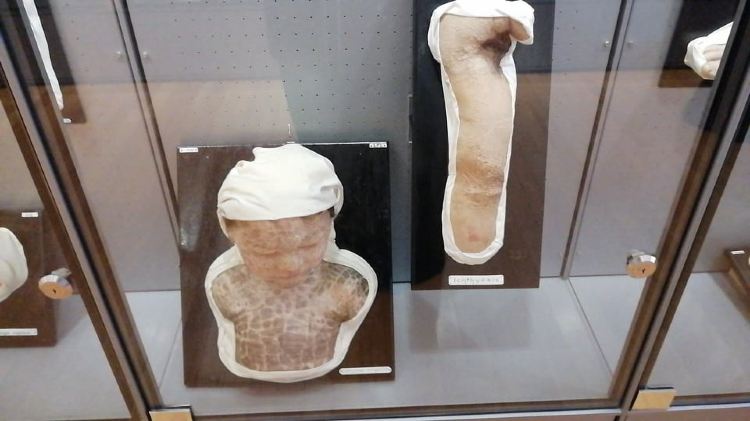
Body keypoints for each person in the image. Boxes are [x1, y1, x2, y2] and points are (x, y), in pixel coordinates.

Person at [205, 143, 376, 383]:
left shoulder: (350, 286)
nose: (291, 266)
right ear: (230, 233)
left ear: (330, 226)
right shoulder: (225, 285)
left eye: (309, 245)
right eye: (266, 252)